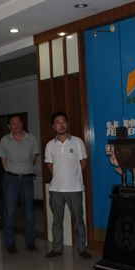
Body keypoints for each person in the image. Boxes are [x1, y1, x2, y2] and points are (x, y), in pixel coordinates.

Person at [44, 111, 90, 259]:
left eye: (63, 121)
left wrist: (73, 175)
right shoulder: (50, 145)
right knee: (57, 221)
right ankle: (57, 249)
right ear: (53, 126)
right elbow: (49, 164)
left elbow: (83, 162)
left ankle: (82, 248)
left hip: (74, 188)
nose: (61, 125)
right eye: (58, 122)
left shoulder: (77, 142)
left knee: (79, 220)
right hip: (56, 189)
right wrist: (59, 176)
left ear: (67, 123)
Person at [0, 114, 39, 253]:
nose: (17, 125)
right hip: (11, 179)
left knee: (29, 212)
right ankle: (10, 243)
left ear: (22, 123)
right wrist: (13, 171)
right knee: (9, 212)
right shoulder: (4, 140)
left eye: (18, 122)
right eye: (13, 123)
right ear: (9, 126)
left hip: (27, 179)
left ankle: (30, 242)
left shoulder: (31, 138)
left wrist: (24, 169)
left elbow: (33, 158)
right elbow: (3, 160)